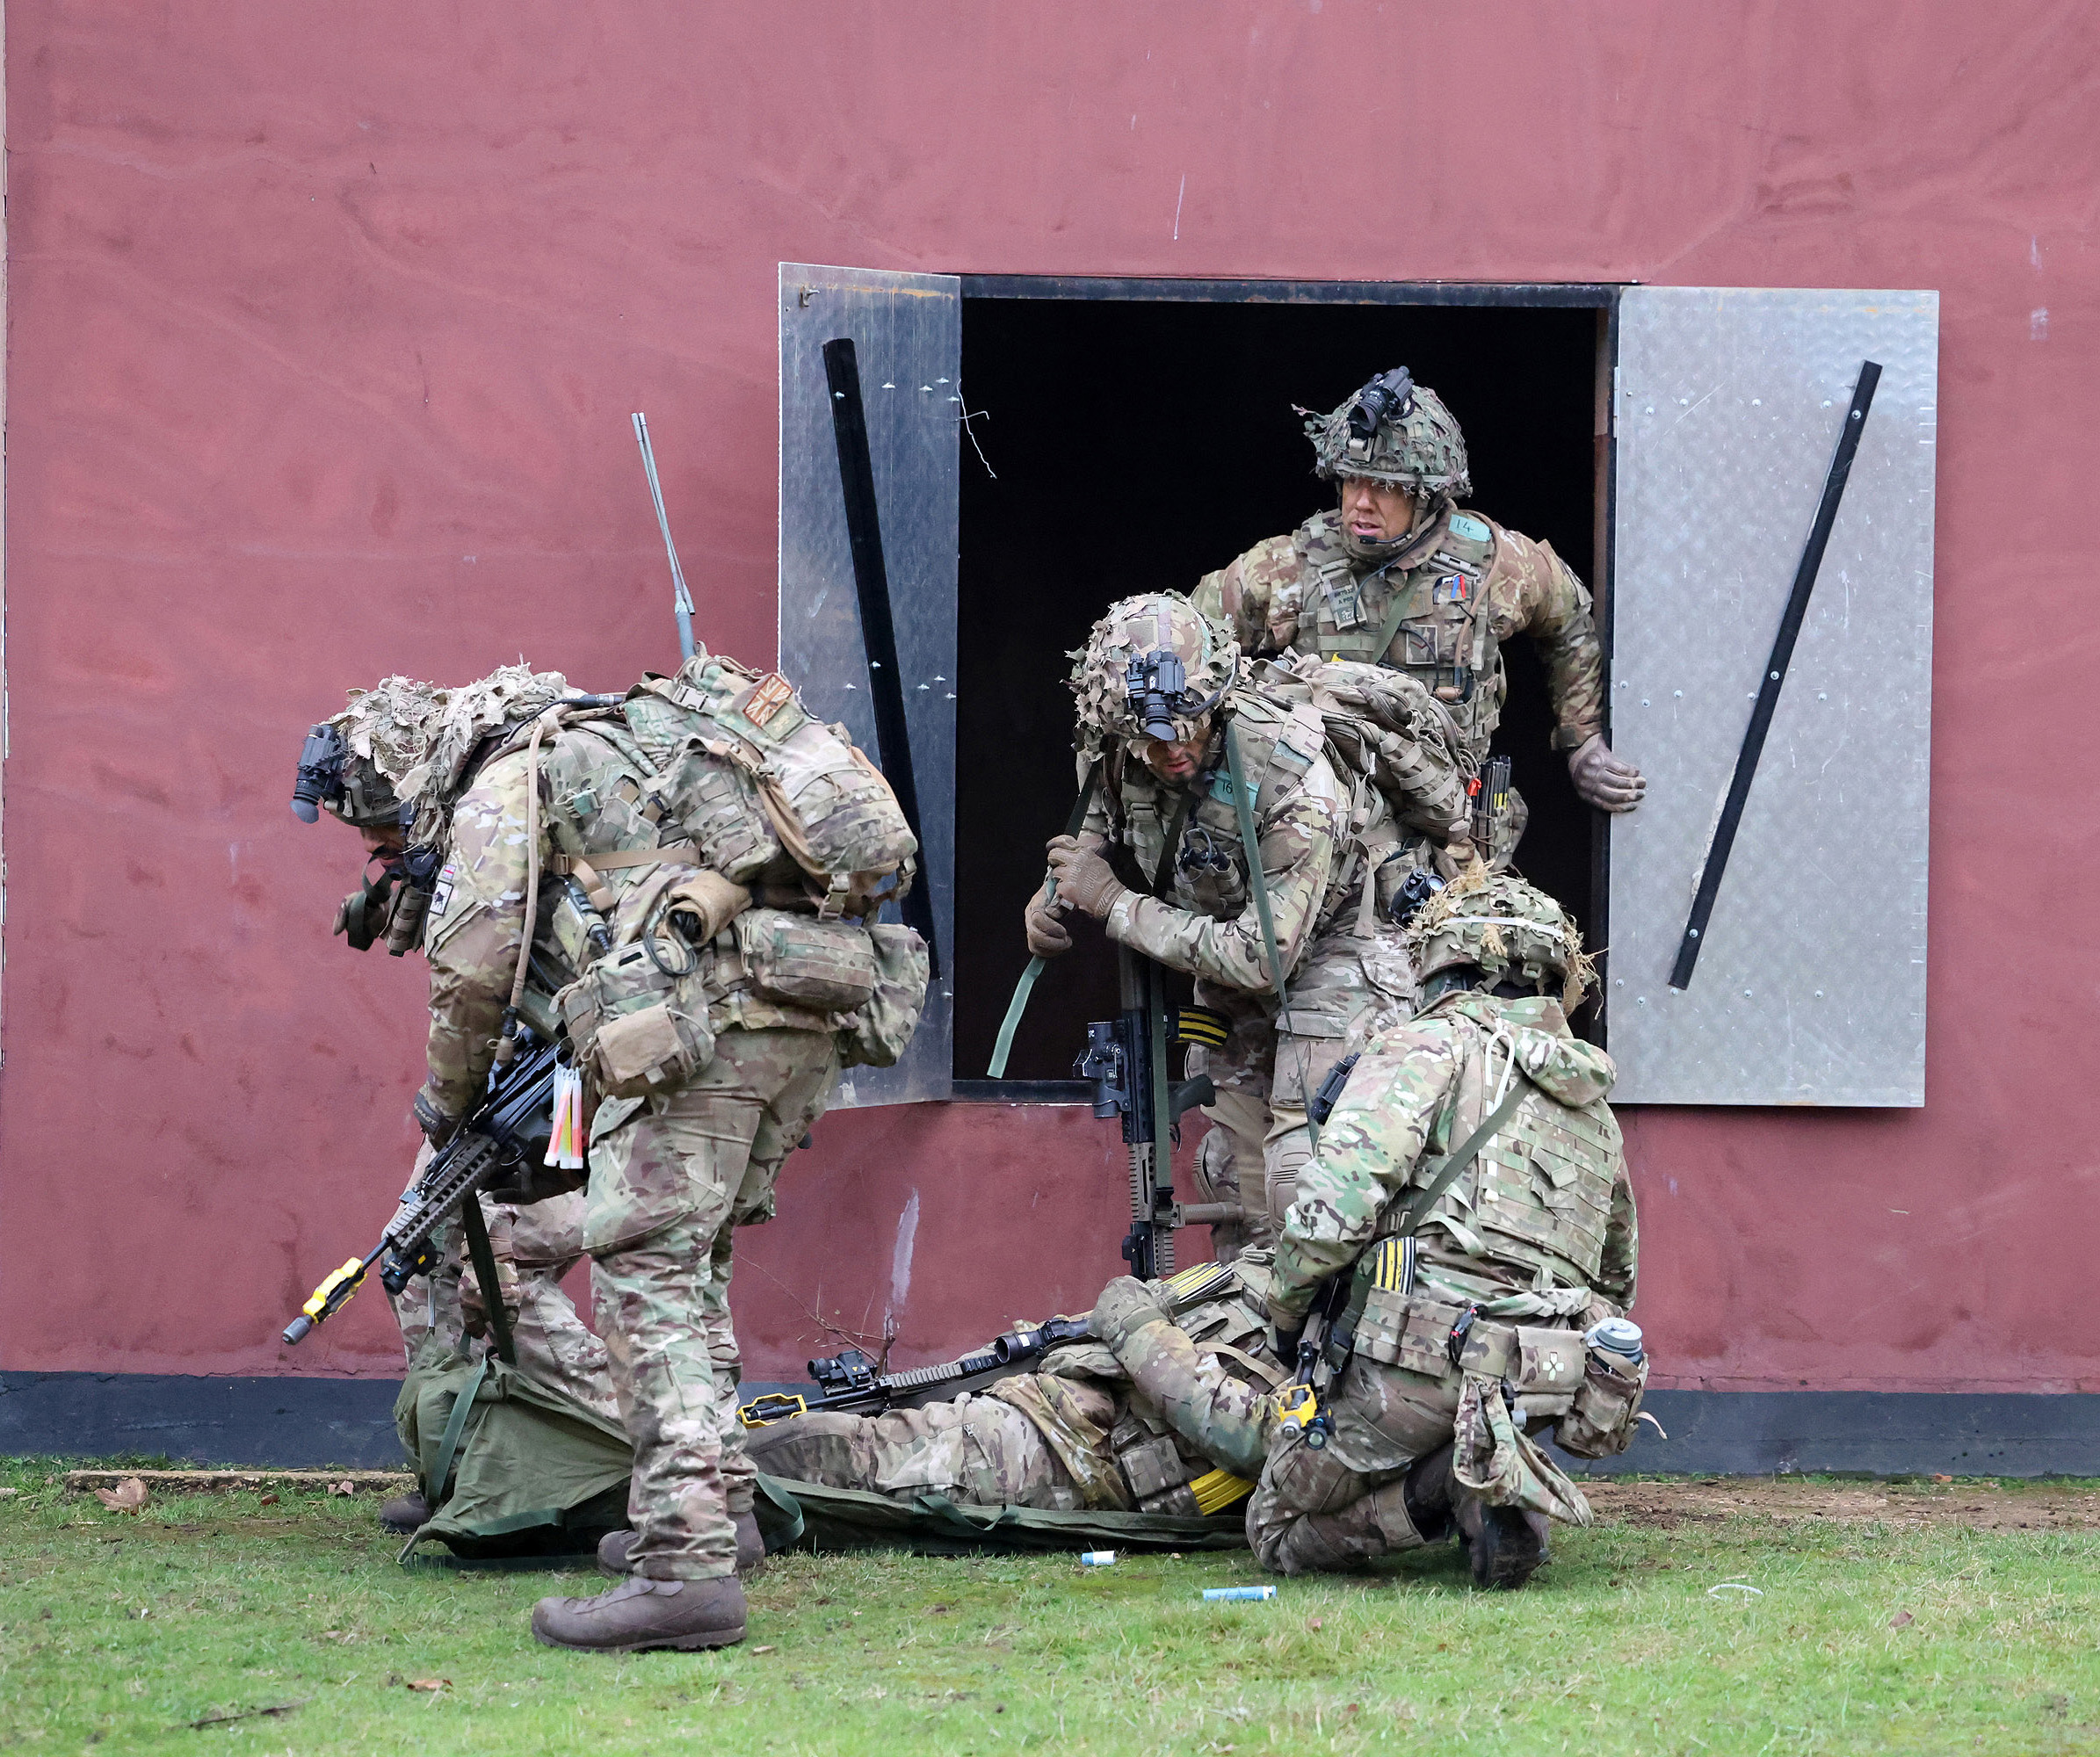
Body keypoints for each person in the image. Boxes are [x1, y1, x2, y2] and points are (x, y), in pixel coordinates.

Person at [350, 647, 923, 1653]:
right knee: (692, 1268)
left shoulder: (512, 775)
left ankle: (682, 1568)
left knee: (645, 1280)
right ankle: (725, 1513)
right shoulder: (651, 738)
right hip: (810, 1011)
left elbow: (475, 965)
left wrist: (445, 1101)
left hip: (702, 1029)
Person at [1028, 593, 1469, 1258]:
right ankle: (1252, 1316)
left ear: (1218, 699)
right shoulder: (1115, 739)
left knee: (1307, 1172)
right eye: (1150, 738)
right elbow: (1100, 818)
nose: (1173, 748)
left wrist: (1114, 904)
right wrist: (1054, 892)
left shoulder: (1293, 776)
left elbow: (1264, 959)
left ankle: (1334, 1316)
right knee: (1234, 1174)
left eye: (1190, 724)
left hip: (1338, 947)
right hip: (1227, 940)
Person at [1247, 871, 1646, 1589]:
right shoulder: (1594, 1106)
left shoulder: (1428, 1046)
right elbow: (1617, 1279)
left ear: (1444, 960)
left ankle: (1449, 1487)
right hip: (1544, 1379)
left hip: (1423, 1361)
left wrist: (1284, 1313)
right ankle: (1488, 1465)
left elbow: (1333, 1212)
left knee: (1274, 1528)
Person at [293, 670, 620, 1535]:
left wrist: (446, 1104)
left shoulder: (506, 817)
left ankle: (649, 1460)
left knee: (497, 1270)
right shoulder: (460, 824)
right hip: (509, 1083)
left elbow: (481, 975)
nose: (374, 842)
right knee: (416, 1254)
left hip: (576, 1087)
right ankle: (460, 1467)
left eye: (381, 823)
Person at [1191, 367, 1644, 860]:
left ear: (1426, 494)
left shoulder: (1495, 565)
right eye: (1351, 481)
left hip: (1455, 837)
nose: (1361, 503)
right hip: (1328, 840)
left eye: (1385, 487)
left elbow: (1568, 621)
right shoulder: (1288, 568)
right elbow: (1188, 641)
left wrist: (1582, 740)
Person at [735, 1255, 1286, 1517]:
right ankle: (701, 1467)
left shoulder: (1330, 1376)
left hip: (1074, 1451)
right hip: (1049, 1384)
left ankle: (697, 1491)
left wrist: (1135, 1322)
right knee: (870, 1423)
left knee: (862, 1457)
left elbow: (1245, 1434)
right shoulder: (1265, 1272)